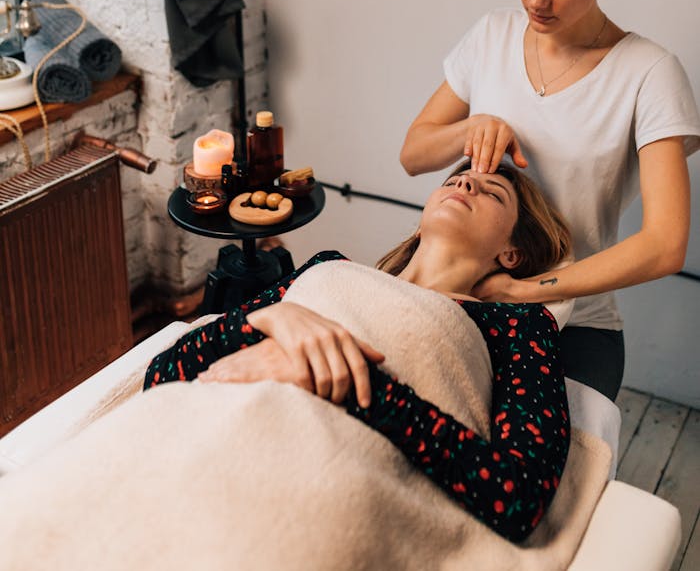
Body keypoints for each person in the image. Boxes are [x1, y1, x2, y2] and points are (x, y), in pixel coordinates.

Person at [145, 162, 572, 543]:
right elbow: (162, 375)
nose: (464, 183)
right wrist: (265, 320)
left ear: (511, 253)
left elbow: (518, 496)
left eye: (493, 192)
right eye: (457, 179)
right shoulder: (328, 268)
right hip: (204, 445)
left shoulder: (518, 325)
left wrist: (335, 376)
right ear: (420, 225)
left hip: (316, 490)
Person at [400, 0, 700, 402]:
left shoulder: (649, 73)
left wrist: (523, 292)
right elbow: (413, 153)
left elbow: (665, 245)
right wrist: (472, 125)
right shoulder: (491, 35)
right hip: (457, 301)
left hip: (577, 325)